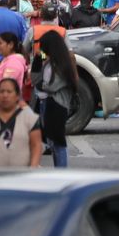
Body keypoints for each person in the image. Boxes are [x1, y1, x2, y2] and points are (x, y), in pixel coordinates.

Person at [32, 30, 78, 168]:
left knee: (58, 142)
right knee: (51, 141)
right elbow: (35, 79)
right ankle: (58, 170)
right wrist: (37, 59)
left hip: (57, 105)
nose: (42, 50)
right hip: (46, 103)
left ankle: (61, 172)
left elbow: (50, 86)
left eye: (43, 47)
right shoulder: (49, 62)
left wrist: (41, 86)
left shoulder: (62, 65)